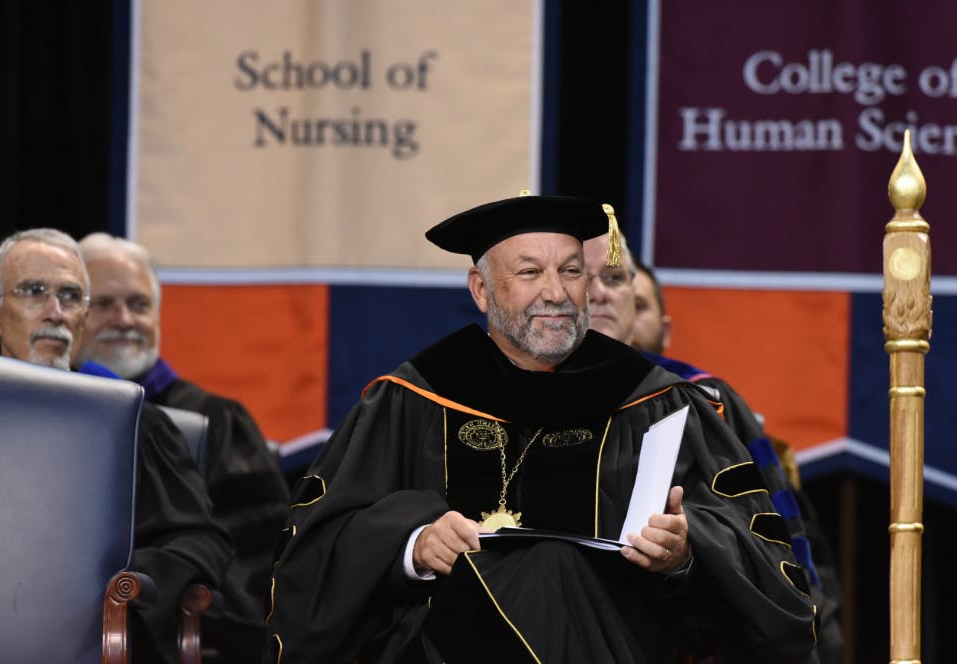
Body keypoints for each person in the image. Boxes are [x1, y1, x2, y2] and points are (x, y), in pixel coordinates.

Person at [266, 195, 818, 663]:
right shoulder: (409, 399)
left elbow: (765, 561)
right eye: (530, 272)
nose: (556, 292)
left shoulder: (655, 400)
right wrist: (413, 544)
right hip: (439, 646)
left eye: (572, 271)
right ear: (482, 290)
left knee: (554, 567)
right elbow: (316, 553)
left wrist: (686, 548)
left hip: (618, 640)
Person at [583, 235, 843, 663]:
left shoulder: (705, 402)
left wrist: (690, 544)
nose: (600, 294)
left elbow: (776, 543)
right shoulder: (517, 404)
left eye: (616, 279)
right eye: (584, 278)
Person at [0, 228, 233, 663]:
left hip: (90, 641)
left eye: (72, 296)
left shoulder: (130, 420)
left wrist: (115, 587)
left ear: (82, 318)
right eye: (34, 292)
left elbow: (199, 540)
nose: (54, 312)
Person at [73, 232, 291, 662]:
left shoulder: (216, 420)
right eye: (103, 304)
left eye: (139, 305)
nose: (124, 319)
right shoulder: (52, 421)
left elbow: (260, 565)